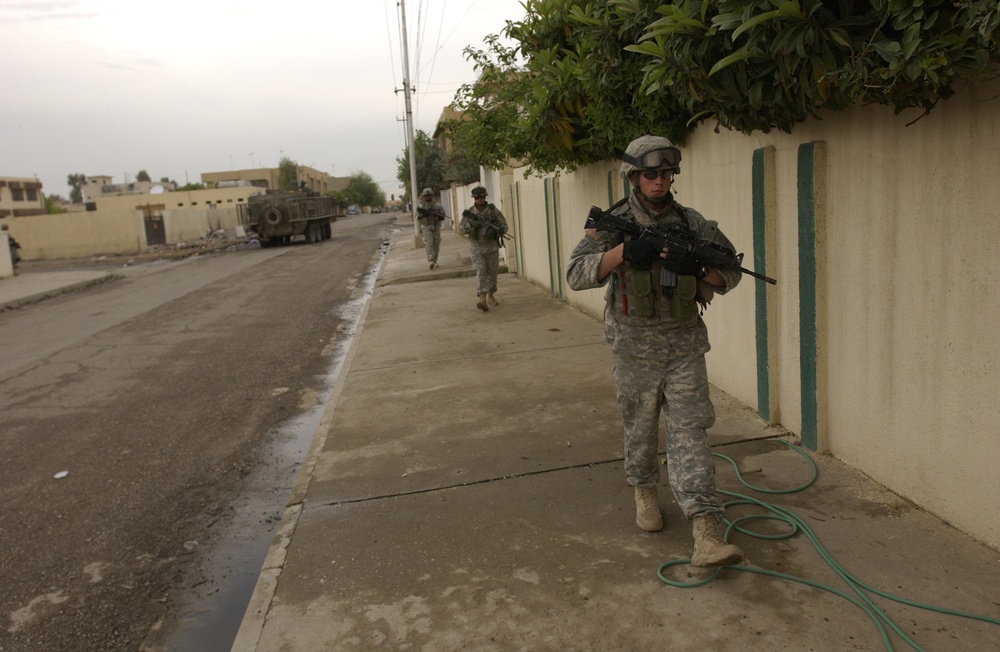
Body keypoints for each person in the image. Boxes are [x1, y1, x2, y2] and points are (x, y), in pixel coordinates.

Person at [565, 135, 745, 568]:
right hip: (633, 348)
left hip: (684, 346)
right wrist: (622, 252)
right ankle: (644, 488)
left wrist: (700, 268)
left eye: (666, 174)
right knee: (641, 429)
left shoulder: (694, 223)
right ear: (633, 176)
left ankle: (705, 527)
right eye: (651, 174)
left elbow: (732, 273)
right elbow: (575, 273)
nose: (660, 181)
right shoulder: (611, 223)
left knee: (691, 432)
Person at [459, 186, 508, 311]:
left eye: (481, 197)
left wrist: (497, 230)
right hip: (476, 247)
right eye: (477, 198)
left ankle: (491, 295)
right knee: (481, 271)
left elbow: (504, 225)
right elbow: (461, 229)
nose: (479, 200)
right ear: (474, 199)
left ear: (485, 197)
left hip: (491, 246)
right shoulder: (470, 212)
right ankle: (482, 298)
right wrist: (472, 225)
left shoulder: (493, 211)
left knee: (492, 272)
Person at [416, 187, 445, 269]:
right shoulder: (421, 206)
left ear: (432, 196)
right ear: (423, 196)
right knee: (429, 244)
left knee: (436, 244)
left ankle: (435, 260)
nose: (428, 197)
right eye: (426, 196)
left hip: (436, 226)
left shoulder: (437, 205)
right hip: (426, 226)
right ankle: (430, 260)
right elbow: (417, 217)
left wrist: (438, 216)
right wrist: (424, 214)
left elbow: (443, 215)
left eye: (429, 195)